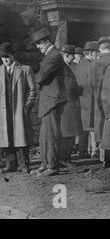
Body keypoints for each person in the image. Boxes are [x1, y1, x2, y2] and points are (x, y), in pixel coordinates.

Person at [30, 28, 66, 177]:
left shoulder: (54, 55)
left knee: (50, 135)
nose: (38, 47)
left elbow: (41, 77)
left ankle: (52, 166)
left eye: (39, 44)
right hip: (48, 101)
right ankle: (44, 164)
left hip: (52, 101)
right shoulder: (49, 55)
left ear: (46, 42)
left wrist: (34, 78)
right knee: (45, 135)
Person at [0, 42, 36, 174]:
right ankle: (10, 164)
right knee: (7, 137)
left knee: (21, 137)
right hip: (4, 111)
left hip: (19, 109)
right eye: (2, 57)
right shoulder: (0, 71)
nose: (5, 60)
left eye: (7, 56)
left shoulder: (25, 69)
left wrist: (26, 107)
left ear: (13, 55)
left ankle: (24, 164)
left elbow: (32, 91)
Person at [90, 36, 110, 168]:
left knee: (101, 129)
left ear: (100, 49)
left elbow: (90, 84)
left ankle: (104, 160)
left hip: (98, 102)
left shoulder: (94, 64)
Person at [73, 41, 98, 159]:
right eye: (96, 53)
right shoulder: (92, 66)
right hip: (91, 99)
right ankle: (93, 150)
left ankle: (83, 150)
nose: (96, 56)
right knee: (91, 126)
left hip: (79, 99)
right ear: (92, 53)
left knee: (83, 126)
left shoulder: (77, 66)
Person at [59, 45, 83, 166]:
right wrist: (80, 89)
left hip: (70, 105)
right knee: (67, 134)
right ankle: (64, 159)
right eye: (72, 56)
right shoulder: (63, 68)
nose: (74, 58)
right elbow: (69, 87)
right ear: (66, 56)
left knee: (69, 133)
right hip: (67, 105)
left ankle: (66, 158)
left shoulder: (67, 67)